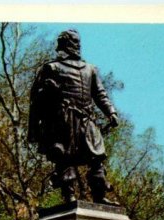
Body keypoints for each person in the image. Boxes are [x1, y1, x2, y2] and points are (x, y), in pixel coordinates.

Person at [28, 29, 120, 205]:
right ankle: (68, 195)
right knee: (64, 157)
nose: (77, 46)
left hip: (87, 119)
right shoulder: (52, 68)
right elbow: (37, 99)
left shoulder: (90, 69)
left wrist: (111, 112)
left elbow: (99, 93)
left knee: (97, 157)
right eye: (74, 42)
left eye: (78, 42)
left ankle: (99, 195)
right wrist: (47, 91)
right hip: (64, 120)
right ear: (65, 45)